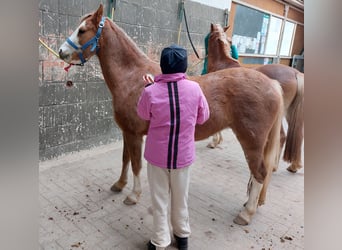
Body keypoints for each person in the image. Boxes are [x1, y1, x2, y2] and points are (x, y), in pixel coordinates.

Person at [137, 45, 210, 250]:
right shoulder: (195, 88)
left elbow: (143, 114)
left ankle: (160, 241)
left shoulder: (150, 91)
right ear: (184, 66)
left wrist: (148, 89)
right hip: (183, 157)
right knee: (181, 197)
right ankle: (182, 237)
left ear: (162, 66)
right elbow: (204, 117)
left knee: (159, 199)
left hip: (157, 157)